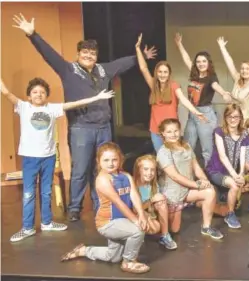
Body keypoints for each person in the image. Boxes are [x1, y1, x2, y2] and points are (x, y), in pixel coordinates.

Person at [13, 14, 157, 222]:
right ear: (78, 54)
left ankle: (100, 202)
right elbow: (49, 55)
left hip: (103, 127)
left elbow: (123, 63)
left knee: (103, 168)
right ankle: (74, 208)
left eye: (92, 53)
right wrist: (32, 34)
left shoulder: (103, 70)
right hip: (81, 128)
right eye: (85, 52)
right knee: (80, 170)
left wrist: (140, 56)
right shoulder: (68, 70)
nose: (89, 56)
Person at [2, 78, 114, 242]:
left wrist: (97, 97)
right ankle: (27, 228)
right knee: (28, 193)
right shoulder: (24, 107)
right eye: (35, 92)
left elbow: (75, 104)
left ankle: (47, 222)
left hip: (48, 157)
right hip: (30, 157)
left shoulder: (52, 108)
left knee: (46, 192)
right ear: (29, 96)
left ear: (46, 95)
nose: (38, 95)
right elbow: (6, 93)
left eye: (42, 92)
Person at [60, 142, 151, 274]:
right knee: (137, 230)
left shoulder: (126, 176)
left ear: (120, 159)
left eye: (114, 159)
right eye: (106, 160)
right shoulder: (102, 179)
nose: (111, 163)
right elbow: (118, 202)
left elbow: (134, 196)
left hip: (121, 221)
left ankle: (83, 251)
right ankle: (129, 262)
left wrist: (142, 215)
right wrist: (136, 221)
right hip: (108, 223)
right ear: (99, 161)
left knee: (113, 257)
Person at [134, 34, 205, 152]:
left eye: (165, 72)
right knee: (162, 160)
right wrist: (137, 48)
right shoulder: (153, 85)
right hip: (156, 131)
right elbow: (144, 68)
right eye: (160, 72)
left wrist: (196, 112)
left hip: (172, 132)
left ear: (169, 73)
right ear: (157, 73)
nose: (162, 74)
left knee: (173, 158)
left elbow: (183, 99)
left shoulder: (174, 85)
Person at [156, 118, 223, 240]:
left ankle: (206, 227)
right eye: (169, 132)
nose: (173, 134)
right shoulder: (163, 152)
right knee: (174, 230)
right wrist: (196, 185)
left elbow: (195, 166)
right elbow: (174, 176)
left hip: (187, 190)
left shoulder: (186, 146)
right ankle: (161, 215)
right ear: (163, 134)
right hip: (173, 194)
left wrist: (204, 180)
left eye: (176, 131)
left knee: (210, 191)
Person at [174, 32, 232, 165]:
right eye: (198, 62)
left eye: (204, 61)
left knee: (207, 150)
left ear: (208, 63)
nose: (201, 64)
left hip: (205, 114)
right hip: (192, 113)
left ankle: (211, 177)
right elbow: (187, 59)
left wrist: (224, 94)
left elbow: (216, 86)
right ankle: (187, 174)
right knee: (188, 146)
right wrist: (179, 44)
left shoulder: (211, 77)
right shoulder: (194, 74)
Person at [205, 104, 249, 229]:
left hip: (232, 172)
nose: (233, 119)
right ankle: (230, 215)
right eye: (230, 116)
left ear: (241, 118)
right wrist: (235, 175)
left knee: (236, 187)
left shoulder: (244, 134)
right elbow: (222, 156)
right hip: (216, 170)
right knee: (234, 184)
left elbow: (242, 156)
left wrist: (241, 174)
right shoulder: (219, 131)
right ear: (225, 118)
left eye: (236, 116)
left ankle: (226, 207)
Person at [132, 154, 176, 250]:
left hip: (148, 213)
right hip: (134, 215)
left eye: (152, 170)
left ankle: (165, 235)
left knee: (161, 203)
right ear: (139, 170)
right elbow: (134, 210)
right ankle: (136, 235)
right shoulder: (133, 185)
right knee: (154, 227)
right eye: (146, 169)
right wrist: (151, 200)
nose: (150, 173)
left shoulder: (153, 184)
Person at [217, 37, 249, 121]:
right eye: (242, 68)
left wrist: (230, 98)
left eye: (247, 69)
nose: (244, 71)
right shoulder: (237, 79)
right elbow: (230, 64)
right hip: (235, 120)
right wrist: (222, 48)